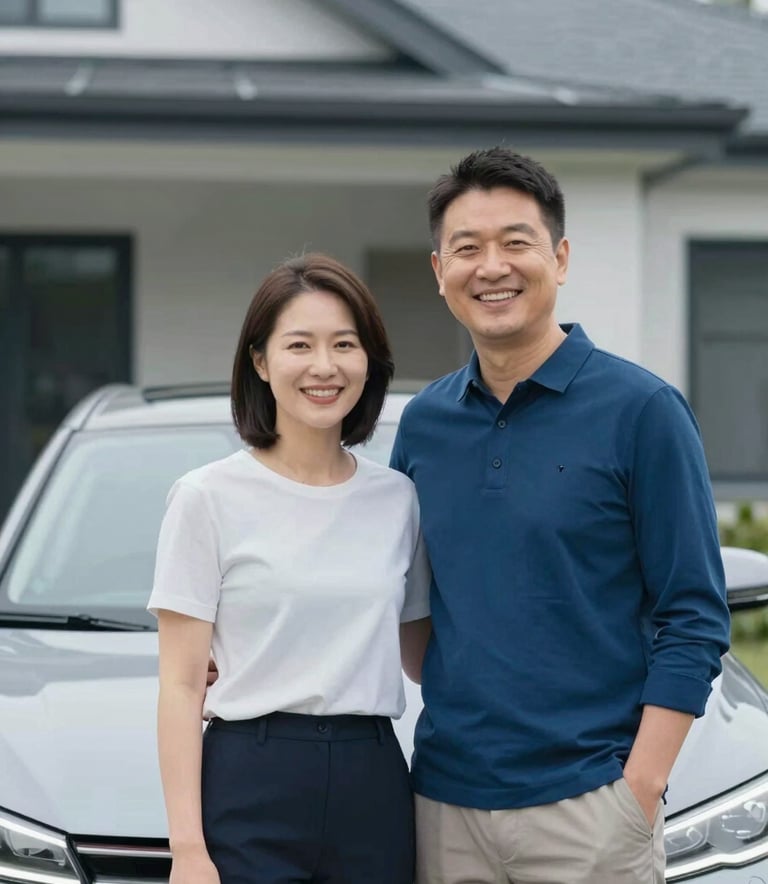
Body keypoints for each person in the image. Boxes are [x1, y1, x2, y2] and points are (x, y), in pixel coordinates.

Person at [390, 147, 731, 884]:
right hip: (445, 805)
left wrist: (636, 793)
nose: (492, 266)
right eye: (467, 248)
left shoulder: (643, 412)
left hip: (591, 809)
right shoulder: (423, 425)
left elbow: (695, 616)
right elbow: (400, 600)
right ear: (439, 271)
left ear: (561, 257)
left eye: (516, 241)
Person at [148, 253, 431, 884]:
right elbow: (180, 686)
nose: (324, 366)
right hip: (251, 778)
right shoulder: (206, 497)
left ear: (368, 361)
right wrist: (187, 851)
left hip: (373, 779)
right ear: (259, 361)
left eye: (344, 344)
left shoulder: (397, 499)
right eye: (299, 344)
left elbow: (422, 657)